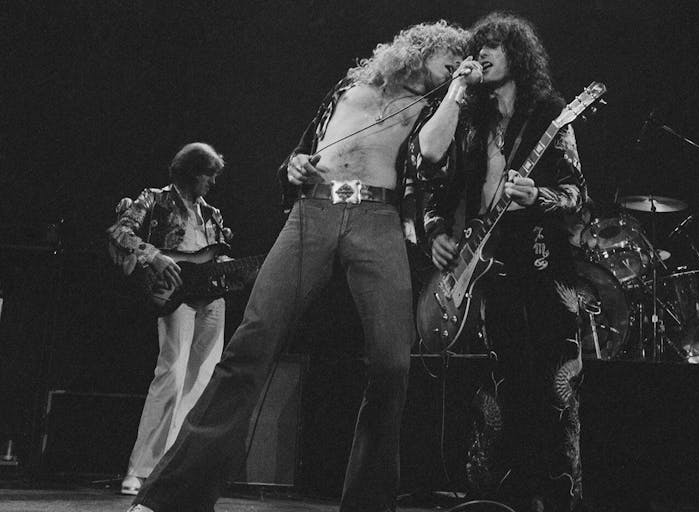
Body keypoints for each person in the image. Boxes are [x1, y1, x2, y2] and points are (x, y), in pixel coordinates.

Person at [127, 20, 469, 512]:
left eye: (459, 68)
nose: (454, 70)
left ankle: (368, 504)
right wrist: (295, 165)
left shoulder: (440, 106)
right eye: (449, 62)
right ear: (421, 50)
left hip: (379, 217)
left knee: (393, 363)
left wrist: (457, 88)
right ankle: (172, 499)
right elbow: (302, 151)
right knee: (251, 343)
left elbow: (432, 154)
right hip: (314, 210)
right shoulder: (351, 88)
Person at [411, 12, 587, 512]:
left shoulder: (552, 114)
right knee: (499, 390)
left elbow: (577, 195)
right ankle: (498, 497)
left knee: (556, 390)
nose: (482, 52)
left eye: (494, 45)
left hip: (545, 270)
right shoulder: (471, 120)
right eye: (478, 44)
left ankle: (557, 497)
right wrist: (435, 234)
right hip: (491, 276)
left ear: (518, 55)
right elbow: (432, 186)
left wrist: (538, 196)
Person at [106, 143, 230, 496]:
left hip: (212, 299)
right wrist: (154, 255)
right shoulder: (155, 199)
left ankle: (174, 469)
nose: (213, 183)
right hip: (175, 296)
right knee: (172, 376)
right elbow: (119, 232)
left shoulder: (212, 214)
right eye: (209, 174)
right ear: (191, 172)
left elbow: (218, 253)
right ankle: (141, 469)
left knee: (202, 384)